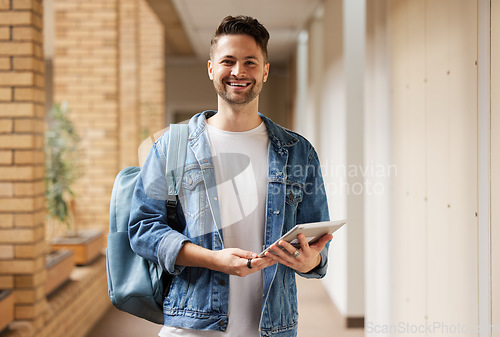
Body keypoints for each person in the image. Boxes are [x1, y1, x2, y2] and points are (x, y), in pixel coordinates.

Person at [129, 15, 332, 337]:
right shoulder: (173, 145)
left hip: (272, 326)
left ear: (265, 70)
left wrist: (309, 262)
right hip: (193, 324)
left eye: (250, 62)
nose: (239, 72)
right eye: (228, 61)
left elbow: (316, 245)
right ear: (211, 68)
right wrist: (213, 259)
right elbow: (143, 228)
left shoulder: (297, 151)